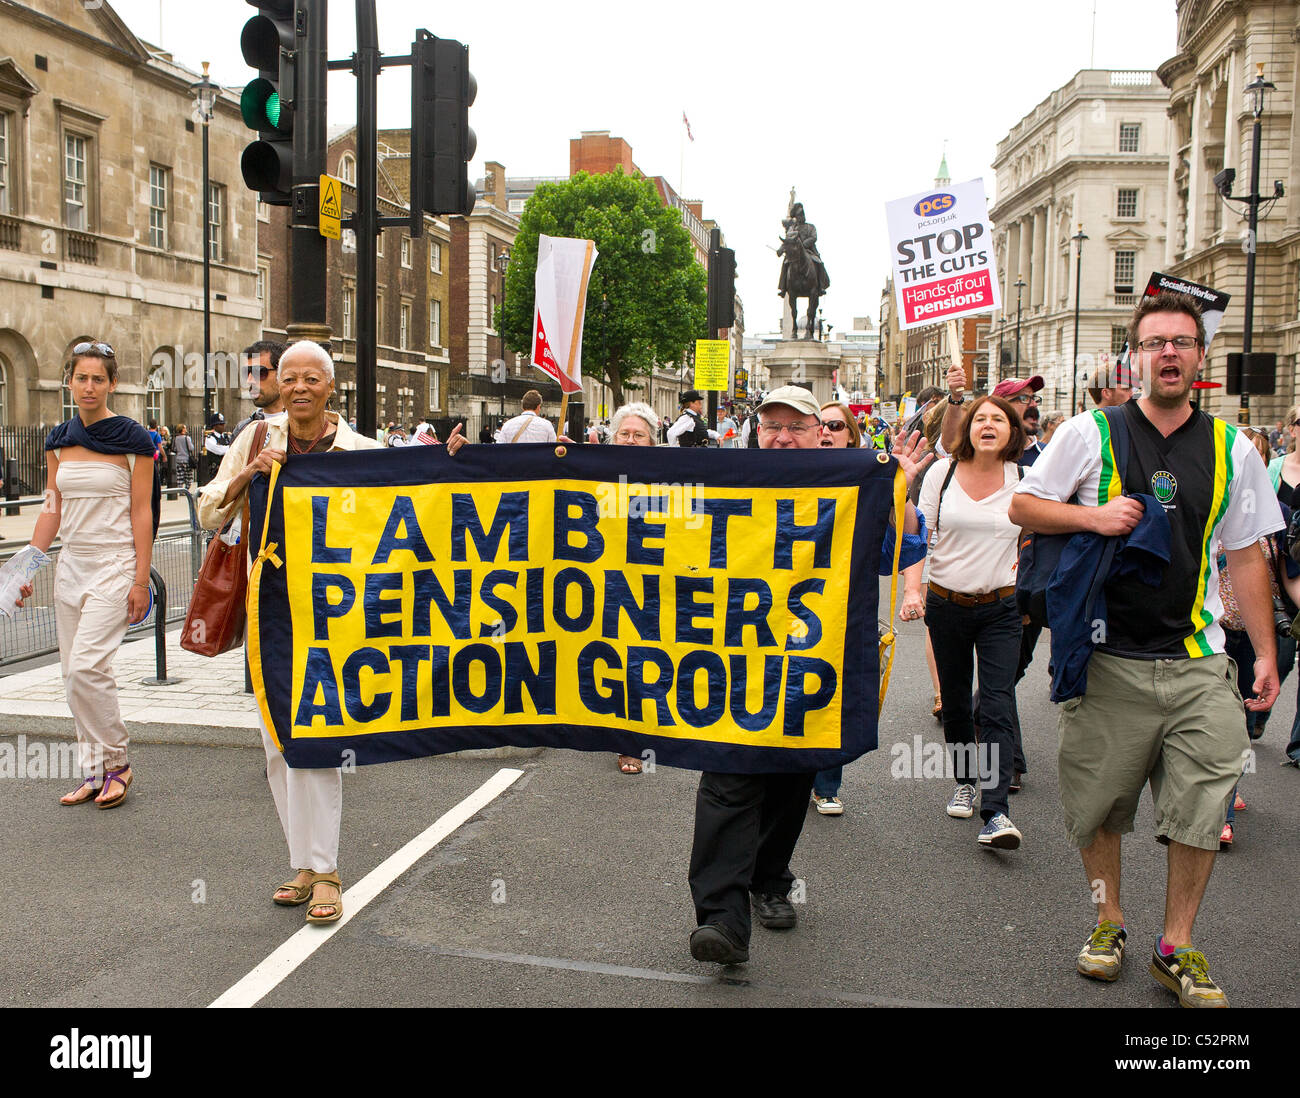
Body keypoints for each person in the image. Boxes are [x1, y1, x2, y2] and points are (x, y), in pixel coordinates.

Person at [1009, 291, 1283, 1008]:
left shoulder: (1233, 448)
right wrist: (1091, 515)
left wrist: (1262, 651)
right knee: (1098, 811)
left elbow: (1248, 554)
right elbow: (1025, 506)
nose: (1168, 353)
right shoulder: (1090, 432)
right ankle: (1109, 921)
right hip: (1105, 661)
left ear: (1199, 359)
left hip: (1197, 658)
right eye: (1155, 342)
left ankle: (1176, 944)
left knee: (1199, 809)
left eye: (1181, 343)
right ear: (1134, 357)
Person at [688, 385, 927, 966]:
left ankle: (769, 880)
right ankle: (722, 918)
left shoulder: (852, 489)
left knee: (791, 778)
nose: (781, 435)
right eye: (770, 425)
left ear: (818, 434)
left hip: (809, 663)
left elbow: (902, 547)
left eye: (795, 426)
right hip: (730, 658)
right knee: (729, 776)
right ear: (755, 431)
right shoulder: (719, 480)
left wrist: (897, 489)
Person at [199, 341, 383, 926]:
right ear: (278, 385)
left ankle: (326, 872)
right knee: (277, 744)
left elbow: (418, 501)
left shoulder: (360, 450)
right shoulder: (255, 439)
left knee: (318, 736)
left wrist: (455, 463)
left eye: (312, 378)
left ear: (331, 387)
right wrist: (246, 476)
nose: (299, 387)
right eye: (289, 378)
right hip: (268, 611)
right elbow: (209, 512)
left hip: (333, 614)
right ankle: (302, 863)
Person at [16, 342, 154, 808]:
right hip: (71, 565)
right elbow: (51, 509)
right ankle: (94, 770)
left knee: (86, 668)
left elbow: (142, 512)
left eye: (99, 378)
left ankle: (117, 761)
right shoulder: (58, 439)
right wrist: (27, 566)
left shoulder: (134, 439)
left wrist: (140, 580)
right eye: (82, 378)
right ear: (70, 382)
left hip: (115, 563)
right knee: (72, 674)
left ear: (112, 384)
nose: (90, 386)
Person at [808, 401, 927, 817]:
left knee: (832, 695)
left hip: (843, 616)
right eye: (817, 425)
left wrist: (901, 491)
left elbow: (902, 548)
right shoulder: (778, 482)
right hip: (782, 616)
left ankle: (826, 785)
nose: (825, 432)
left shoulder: (868, 486)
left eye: (835, 426)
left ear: (851, 437)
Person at [919, 395, 1026, 849]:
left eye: (998, 419)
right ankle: (965, 780)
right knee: (957, 702)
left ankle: (996, 809)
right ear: (966, 428)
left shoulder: (1025, 479)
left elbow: (1041, 532)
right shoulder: (941, 475)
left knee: (998, 703)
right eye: (980, 418)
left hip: (1002, 607)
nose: (988, 425)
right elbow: (919, 533)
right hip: (946, 603)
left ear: (1011, 432)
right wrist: (910, 589)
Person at [602, 402, 662, 774]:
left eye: (639, 435)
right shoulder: (594, 469)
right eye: (624, 433)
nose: (630, 439)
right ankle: (627, 742)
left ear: (652, 442)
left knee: (644, 661)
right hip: (606, 581)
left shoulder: (671, 476)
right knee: (618, 660)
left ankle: (643, 736)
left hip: (654, 582)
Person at [232, 341, 287, 441]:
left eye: (259, 372)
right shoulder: (243, 429)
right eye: (247, 372)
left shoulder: (302, 426)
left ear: (281, 375)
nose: (250, 380)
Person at [172, 424, 195, 490]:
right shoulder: (187, 438)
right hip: (186, 459)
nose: (186, 429)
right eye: (185, 428)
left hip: (178, 459)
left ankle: (180, 489)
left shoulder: (175, 438)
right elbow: (191, 448)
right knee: (189, 476)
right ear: (182, 429)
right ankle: (186, 489)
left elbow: (174, 449)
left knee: (180, 476)